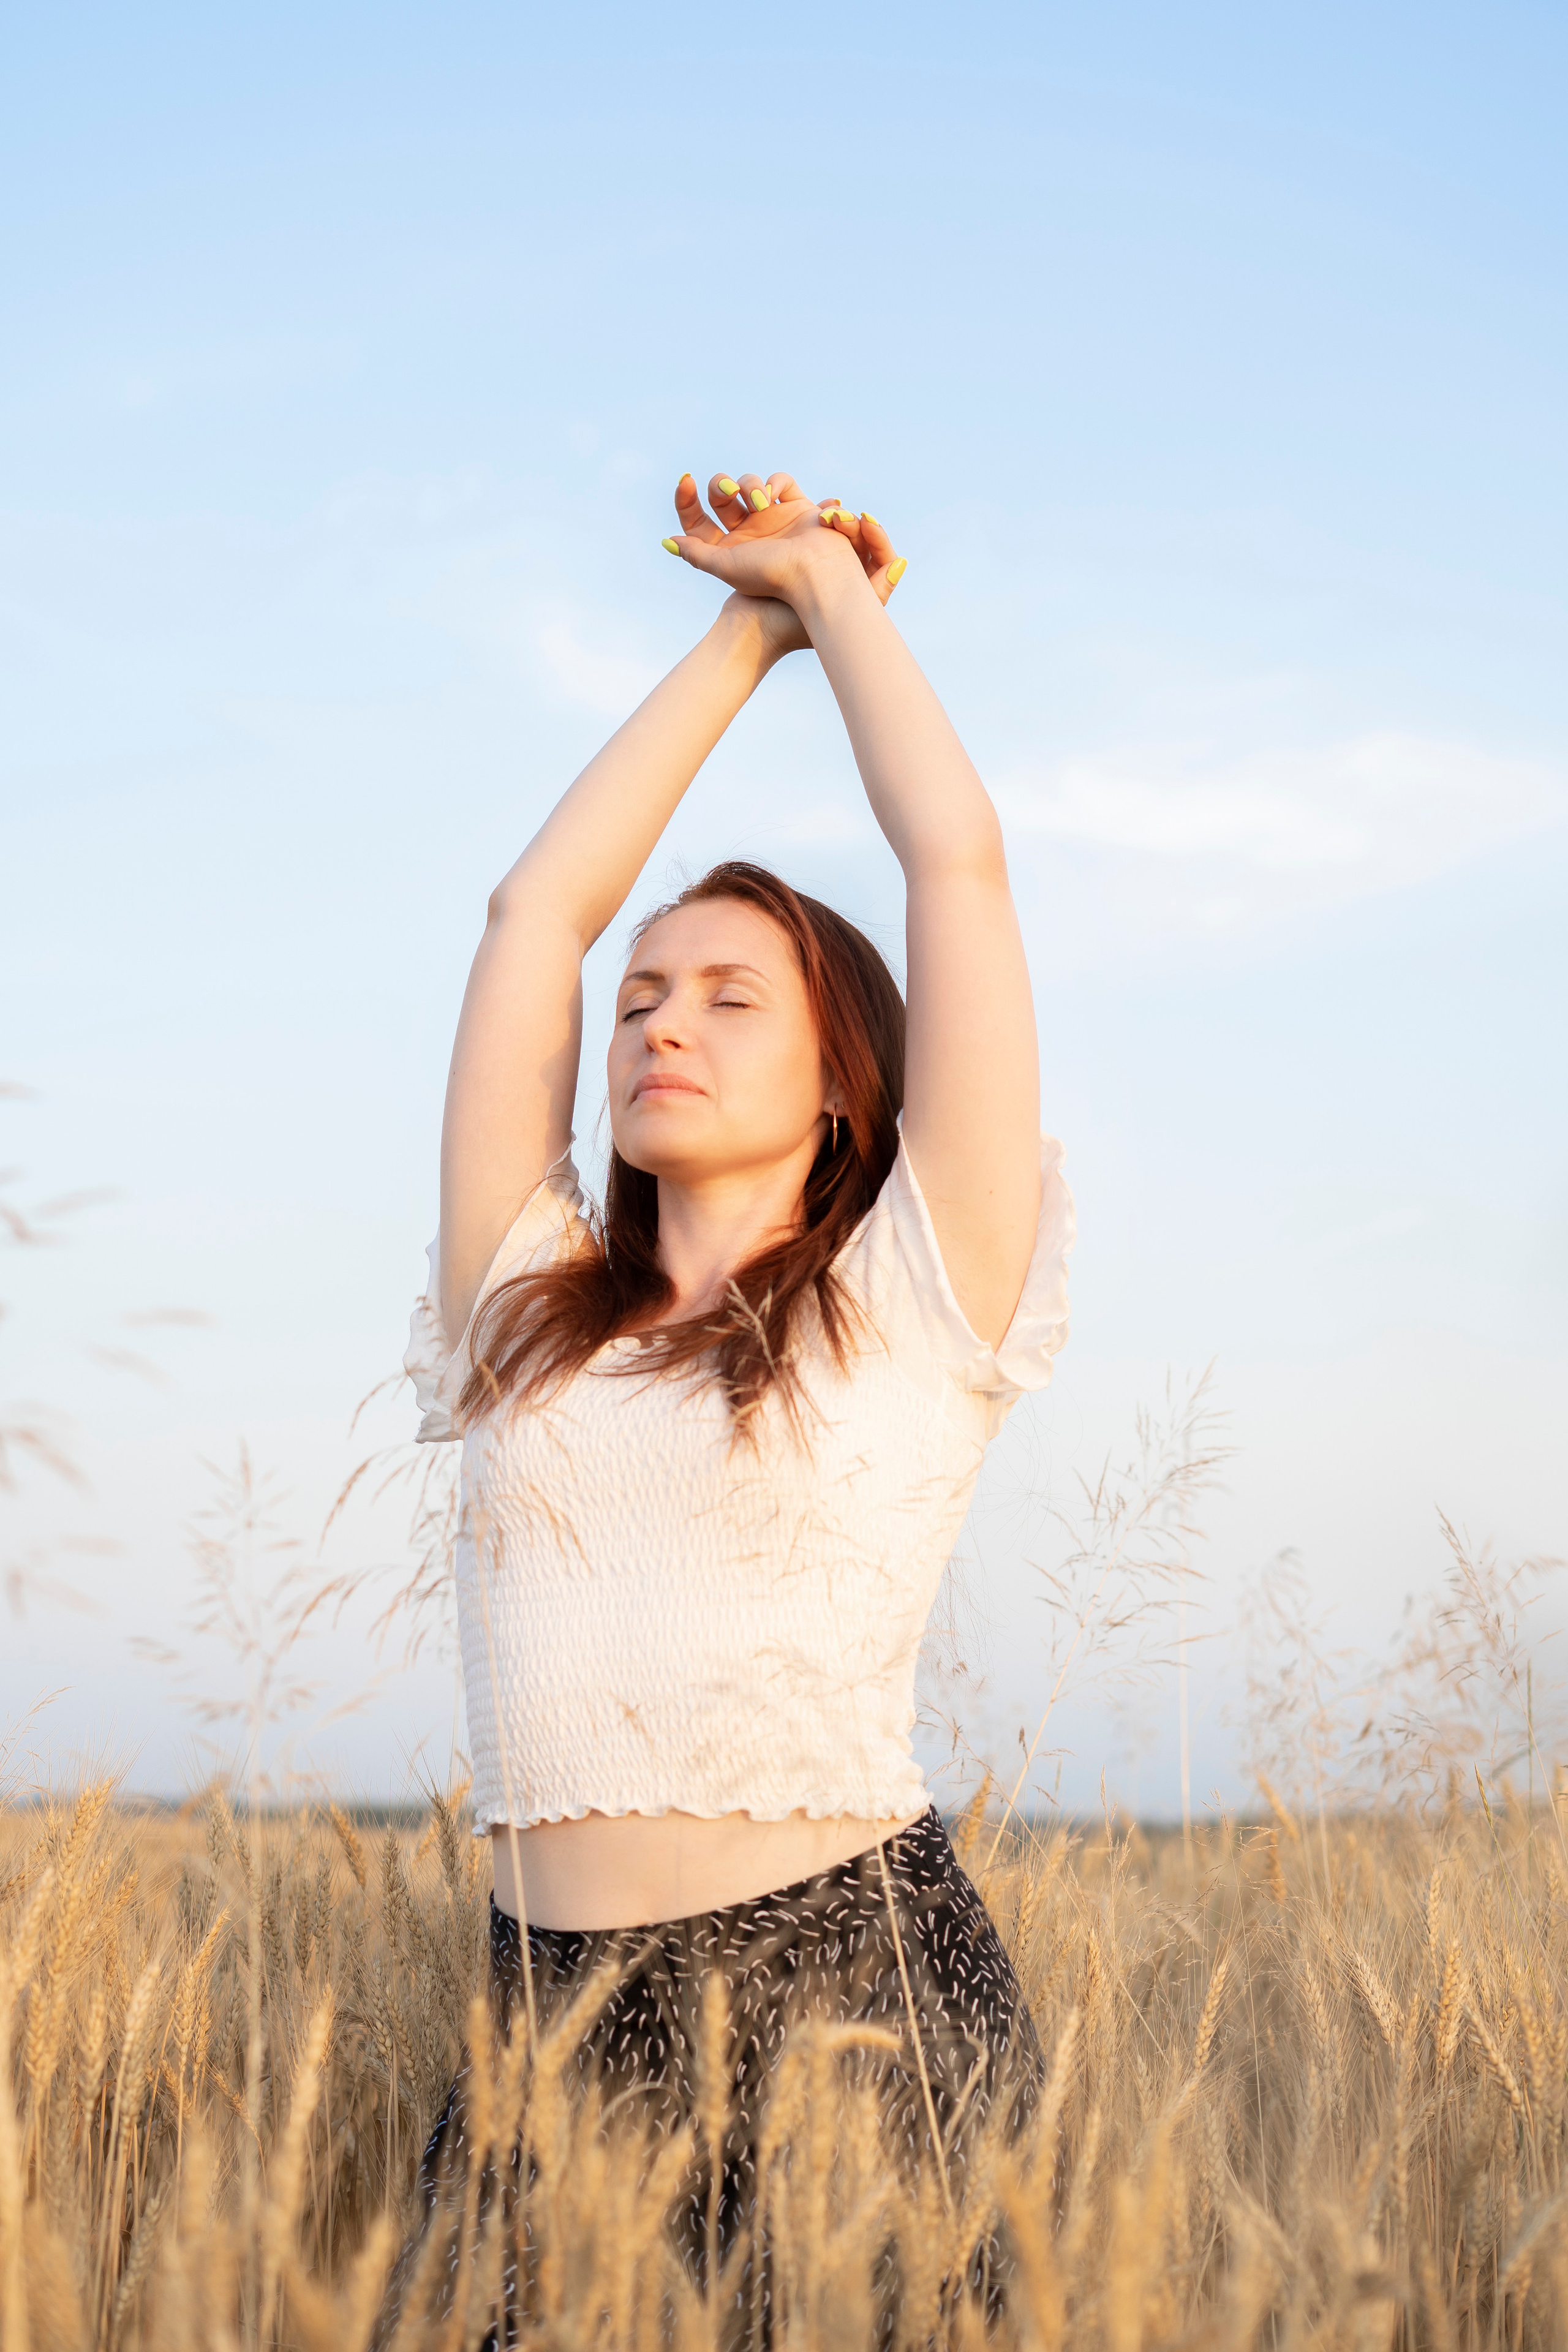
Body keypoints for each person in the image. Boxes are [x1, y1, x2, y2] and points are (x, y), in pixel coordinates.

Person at [390, 466, 1075, 2336]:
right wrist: (736, 634)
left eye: (728, 1000)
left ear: (851, 1080)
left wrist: (840, 604)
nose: (660, 1025)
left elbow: (961, 869)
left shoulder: (917, 1295)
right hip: (540, 2012)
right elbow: (537, 914)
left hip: (853, 1995)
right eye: (644, 1004)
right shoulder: (529, 1308)